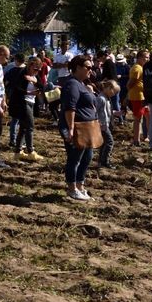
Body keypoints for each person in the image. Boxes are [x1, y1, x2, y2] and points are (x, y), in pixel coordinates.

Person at [60, 55, 98, 201]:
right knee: (75, 158)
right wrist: (70, 129)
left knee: (87, 157)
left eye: (91, 68)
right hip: (77, 127)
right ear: (77, 68)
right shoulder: (72, 84)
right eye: (88, 67)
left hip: (87, 127)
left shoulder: (81, 84)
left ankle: (80, 185)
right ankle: (72, 188)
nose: (90, 70)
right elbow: (70, 108)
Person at [7, 55, 43, 161]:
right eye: (35, 68)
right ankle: (30, 151)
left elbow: (42, 86)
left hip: (31, 102)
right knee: (30, 126)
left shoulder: (35, 75)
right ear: (30, 65)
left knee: (23, 127)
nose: (37, 71)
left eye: (38, 69)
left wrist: (35, 81)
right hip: (23, 102)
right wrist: (29, 92)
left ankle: (18, 152)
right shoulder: (22, 73)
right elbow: (16, 89)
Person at [96, 80, 120, 168]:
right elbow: (95, 111)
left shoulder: (106, 98)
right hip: (102, 125)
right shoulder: (101, 99)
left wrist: (115, 113)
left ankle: (101, 161)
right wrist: (98, 122)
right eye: (114, 92)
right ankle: (105, 161)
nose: (114, 94)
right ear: (108, 88)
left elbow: (106, 111)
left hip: (105, 124)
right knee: (110, 142)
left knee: (104, 143)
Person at [127, 49, 148, 145]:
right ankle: (136, 140)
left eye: (148, 57)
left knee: (148, 116)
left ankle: (147, 136)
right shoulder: (137, 68)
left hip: (141, 96)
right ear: (139, 58)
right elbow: (130, 84)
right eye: (145, 57)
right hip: (138, 97)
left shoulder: (140, 67)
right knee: (138, 118)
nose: (147, 59)